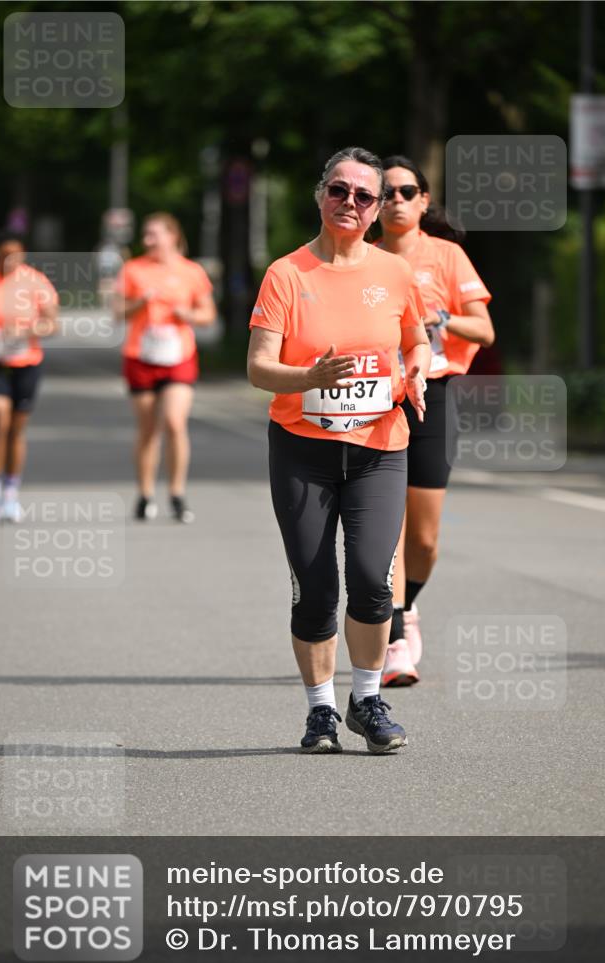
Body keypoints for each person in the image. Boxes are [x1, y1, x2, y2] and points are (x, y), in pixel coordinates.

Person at [247, 147, 431, 754]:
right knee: (316, 585)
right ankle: (321, 711)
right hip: (303, 449)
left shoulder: (395, 273)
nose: (348, 203)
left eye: (362, 196)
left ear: (377, 209)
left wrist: (418, 374)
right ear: (319, 194)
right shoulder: (287, 274)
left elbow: (416, 344)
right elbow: (258, 368)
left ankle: (368, 700)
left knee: (373, 581)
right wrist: (308, 380)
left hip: (380, 446)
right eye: (338, 190)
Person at [378, 155, 494, 686]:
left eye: (406, 192)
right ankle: (396, 634)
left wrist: (440, 318)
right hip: (382, 398)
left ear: (424, 200)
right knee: (391, 527)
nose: (395, 200)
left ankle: (408, 607)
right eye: (386, 193)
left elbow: (485, 331)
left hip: (437, 392)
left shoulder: (446, 256)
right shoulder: (364, 258)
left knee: (423, 539)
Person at [115, 212, 216, 522]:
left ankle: (176, 493)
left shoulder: (191, 271)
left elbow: (207, 313)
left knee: (174, 422)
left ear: (173, 236)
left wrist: (188, 315)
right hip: (141, 355)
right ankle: (145, 495)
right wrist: (139, 303)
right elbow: (118, 311)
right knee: (148, 429)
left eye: (153, 234)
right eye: (145, 235)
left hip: (178, 355)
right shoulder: (133, 269)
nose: (147, 240)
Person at [0, 231, 58, 522]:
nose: (10, 261)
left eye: (16, 255)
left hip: (25, 361)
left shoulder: (35, 282)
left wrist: (26, 331)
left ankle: (11, 491)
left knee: (15, 429)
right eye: (4, 254)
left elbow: (52, 323)